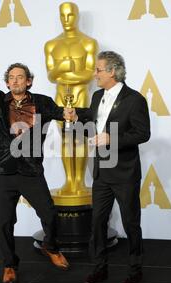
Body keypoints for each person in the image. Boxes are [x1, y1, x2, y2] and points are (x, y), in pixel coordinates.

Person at [0, 50, 70, 283]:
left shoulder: (42, 102)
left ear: (29, 81)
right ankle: (9, 265)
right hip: (5, 171)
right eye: (11, 77)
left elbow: (62, 113)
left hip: (31, 171)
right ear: (7, 82)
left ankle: (50, 247)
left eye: (20, 77)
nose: (15, 80)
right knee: (5, 223)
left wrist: (72, 113)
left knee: (50, 215)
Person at [66, 51, 150, 283]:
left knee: (131, 223)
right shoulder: (96, 97)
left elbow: (142, 134)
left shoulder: (135, 99)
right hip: (101, 173)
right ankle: (99, 268)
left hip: (124, 173)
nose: (95, 74)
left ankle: (135, 271)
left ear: (112, 71)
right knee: (97, 223)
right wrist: (74, 120)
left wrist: (111, 139)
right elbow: (92, 128)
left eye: (98, 70)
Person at [44, 1, 98, 197]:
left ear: (77, 16)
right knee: (65, 139)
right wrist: (66, 67)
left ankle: (80, 182)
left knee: (80, 138)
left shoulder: (88, 43)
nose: (66, 20)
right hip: (60, 95)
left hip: (81, 94)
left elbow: (89, 74)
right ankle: (69, 181)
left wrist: (62, 73)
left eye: (70, 15)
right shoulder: (51, 44)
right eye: (62, 16)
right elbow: (51, 75)